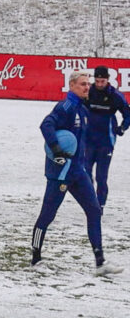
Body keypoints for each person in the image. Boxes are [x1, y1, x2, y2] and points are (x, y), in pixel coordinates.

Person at [32, 71, 123, 276]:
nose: (87, 87)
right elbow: (46, 125)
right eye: (82, 84)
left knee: (94, 211)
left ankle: (100, 262)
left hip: (78, 172)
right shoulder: (66, 106)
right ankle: (35, 259)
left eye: (88, 84)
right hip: (61, 173)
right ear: (72, 85)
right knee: (47, 215)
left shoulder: (82, 108)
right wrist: (55, 149)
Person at [85, 65, 130, 214]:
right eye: (97, 81)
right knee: (85, 173)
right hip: (88, 140)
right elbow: (77, 108)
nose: (99, 84)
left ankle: (100, 205)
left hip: (106, 142)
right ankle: (90, 202)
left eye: (102, 81)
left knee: (101, 176)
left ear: (108, 80)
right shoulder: (89, 92)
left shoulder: (115, 95)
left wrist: (122, 127)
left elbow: (127, 114)